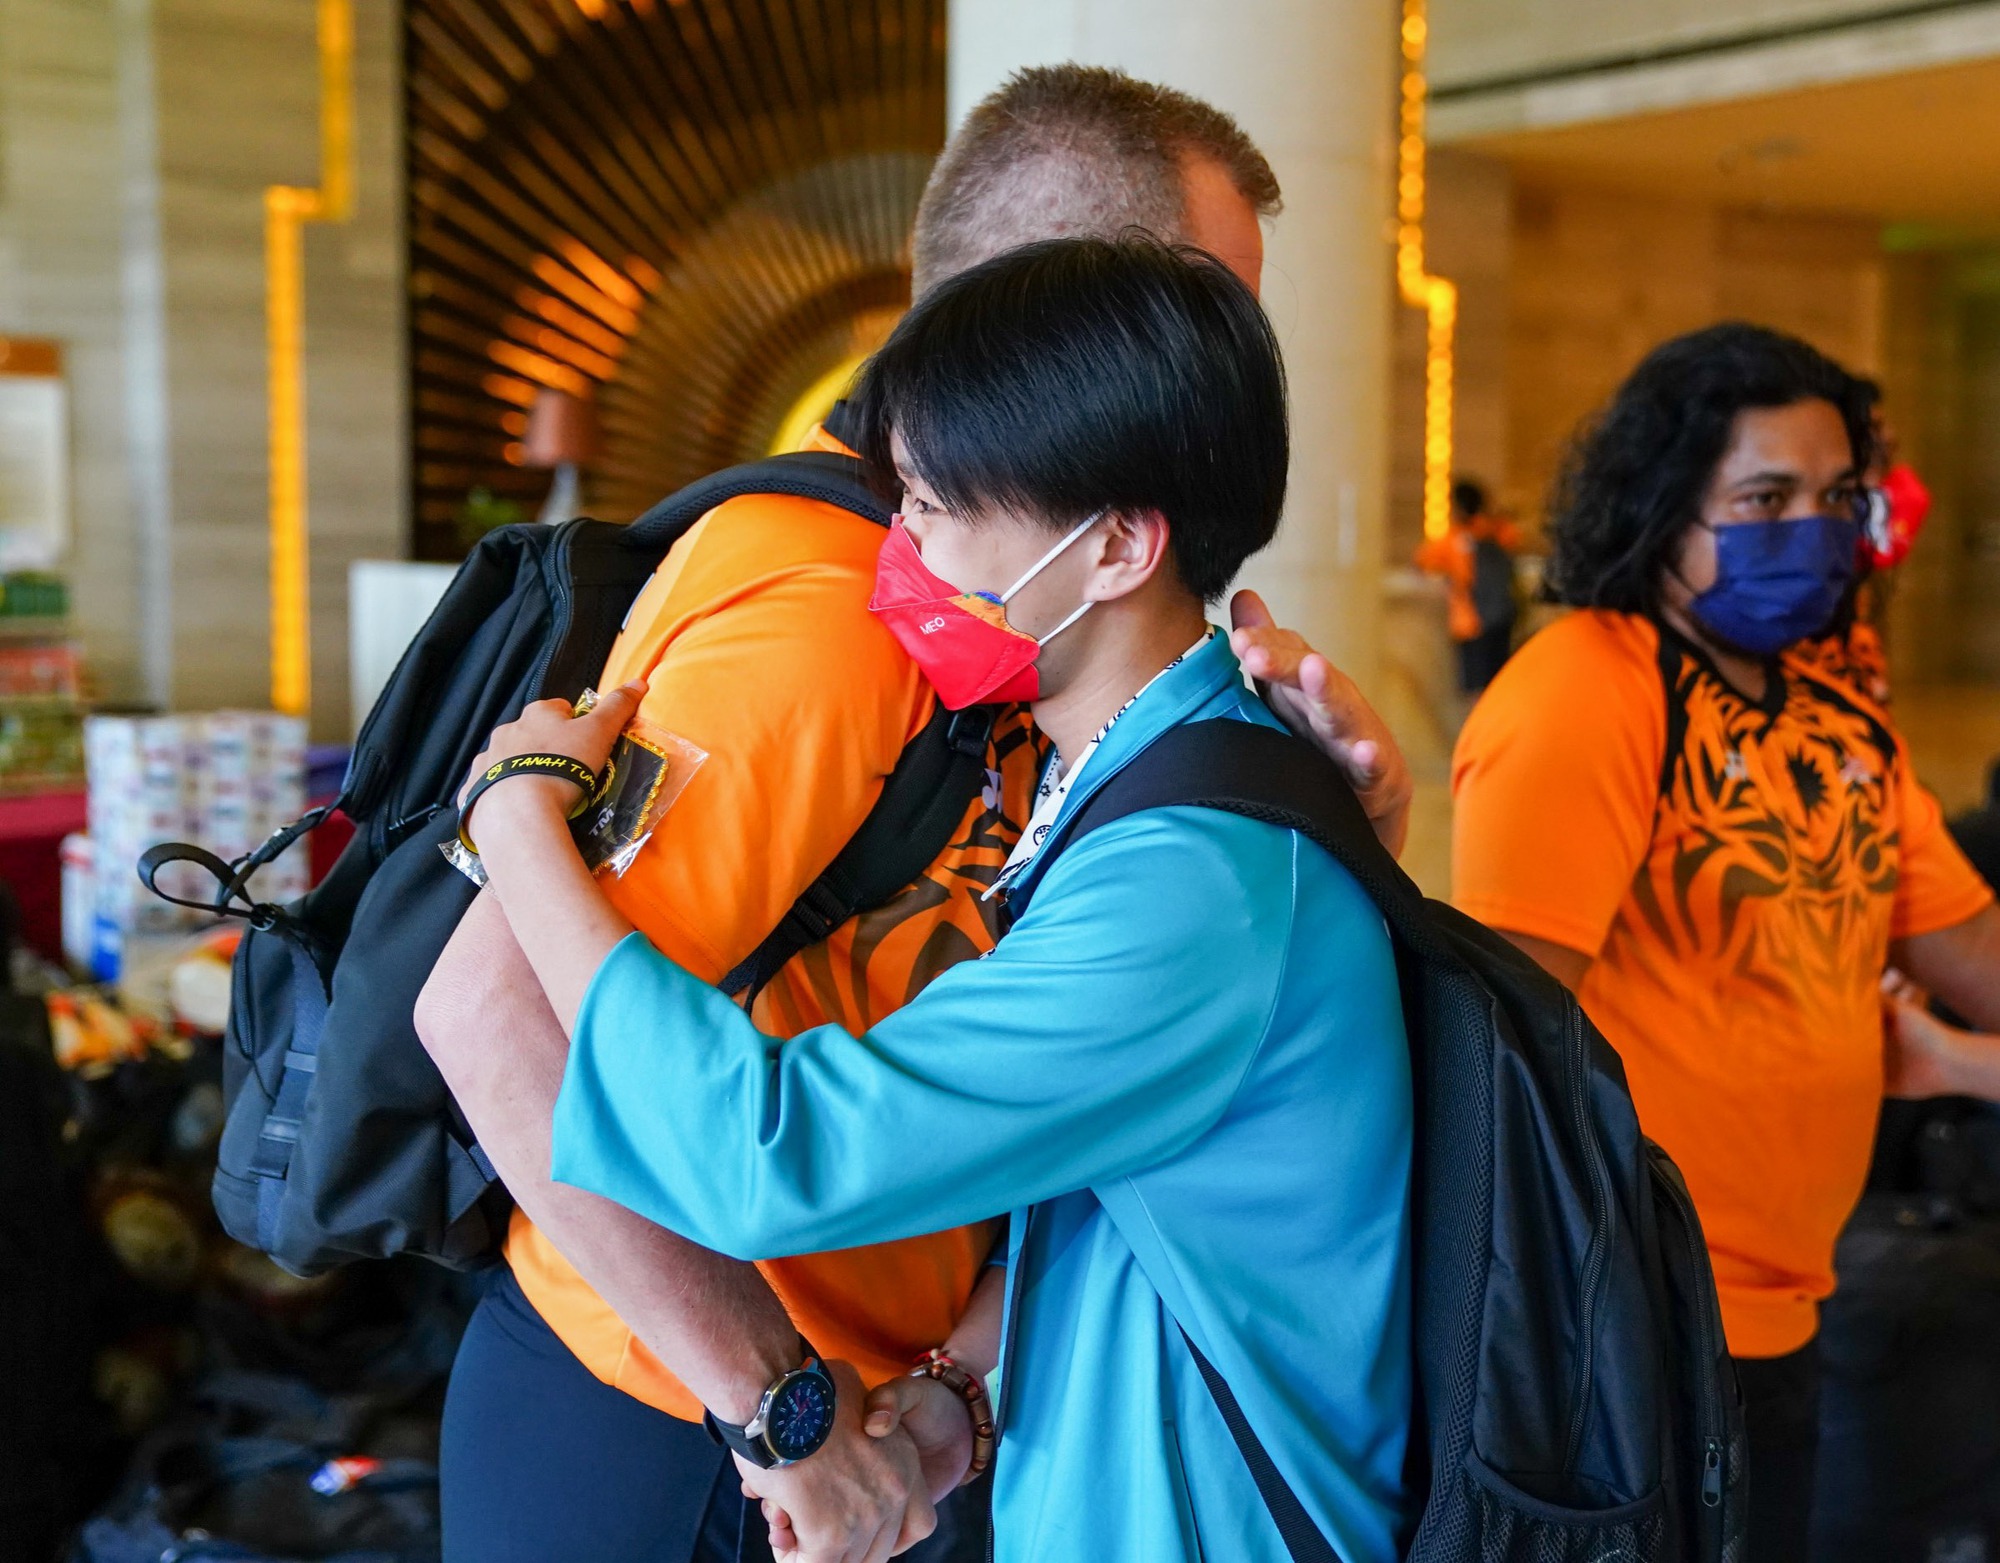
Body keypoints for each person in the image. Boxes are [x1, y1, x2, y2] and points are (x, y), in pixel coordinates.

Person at [416, 63, 1414, 1563]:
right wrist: (784, 1414)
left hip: (925, 1422)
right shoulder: (839, 608)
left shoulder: (1153, 753)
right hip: (691, 1417)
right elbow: (498, 1016)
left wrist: (1349, 842)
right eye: (1180, 312)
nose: (1210, 372)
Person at [1448, 321, 2000, 1562]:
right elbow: (1509, 1049)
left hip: (1790, 1306)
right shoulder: (1586, 687)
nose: (1807, 529)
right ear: (1661, 506)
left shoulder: (1834, 714)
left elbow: (1973, 949)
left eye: (1832, 497)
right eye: (1763, 498)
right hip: (1635, 1336)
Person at [1413, 477, 1520, 694]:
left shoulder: (1456, 538)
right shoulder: (1496, 530)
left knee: (1476, 689)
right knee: (1498, 686)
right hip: (1502, 619)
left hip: (1471, 621)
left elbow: (1422, 560)